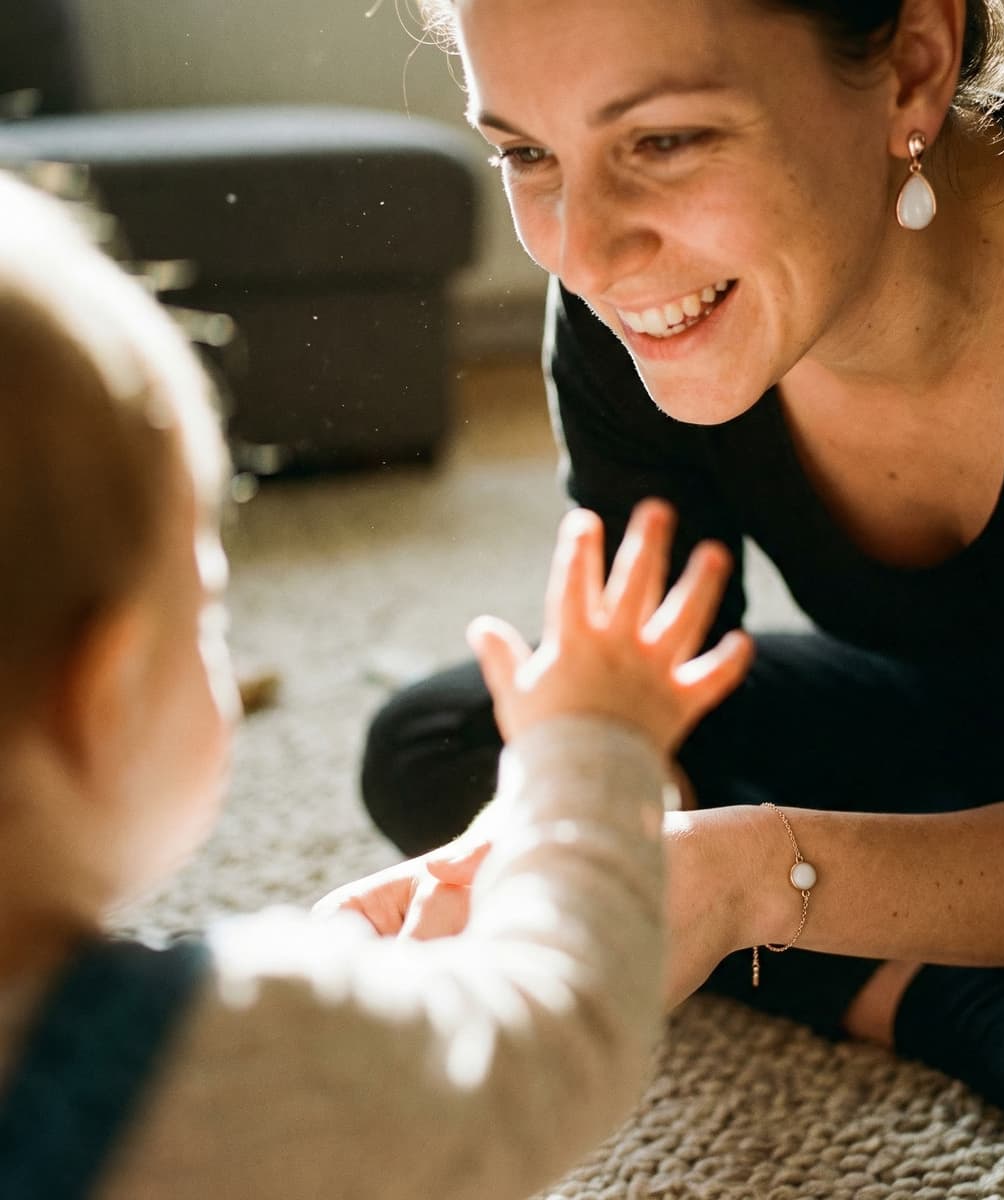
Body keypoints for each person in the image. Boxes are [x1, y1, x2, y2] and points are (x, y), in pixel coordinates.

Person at [354, 1, 1004, 1196]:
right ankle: (971, 1009)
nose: (584, 253)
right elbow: (650, 694)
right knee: (451, 741)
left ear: (913, 67)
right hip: (967, 731)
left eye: (662, 142)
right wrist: (551, 836)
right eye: (527, 153)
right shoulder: (636, 317)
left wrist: (759, 878)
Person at [0, 171, 753, 1199]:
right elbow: (555, 1037)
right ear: (106, 692)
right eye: (210, 612)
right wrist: (587, 754)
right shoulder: (201, 1058)